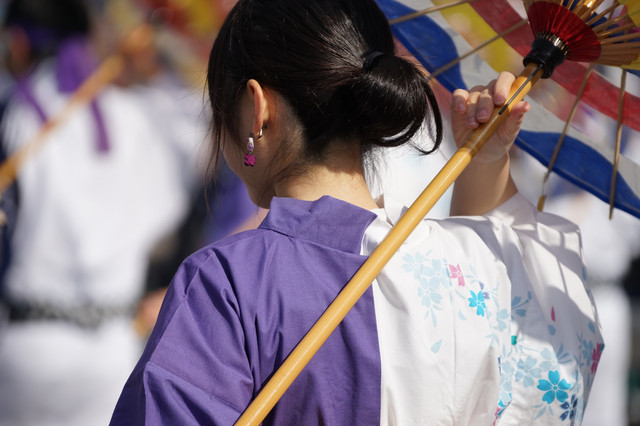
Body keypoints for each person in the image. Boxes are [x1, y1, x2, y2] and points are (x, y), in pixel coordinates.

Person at [110, 0, 603, 424]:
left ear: (256, 108)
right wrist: (488, 164)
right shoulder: (472, 273)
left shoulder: (231, 282)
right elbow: (535, 292)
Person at [0, 0, 206, 424]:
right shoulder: (138, 114)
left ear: (17, 44)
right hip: (112, 350)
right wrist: (158, 62)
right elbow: (204, 138)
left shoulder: (14, 113)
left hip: (27, 350)